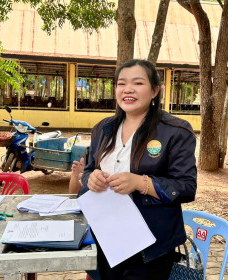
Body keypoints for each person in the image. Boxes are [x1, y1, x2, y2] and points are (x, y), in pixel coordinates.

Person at [78, 59, 197, 280]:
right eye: (121, 83)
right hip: (106, 236)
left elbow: (186, 188)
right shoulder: (103, 129)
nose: (128, 89)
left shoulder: (176, 131)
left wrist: (141, 183)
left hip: (150, 245)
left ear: (154, 91)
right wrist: (90, 179)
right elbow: (88, 170)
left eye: (138, 83)